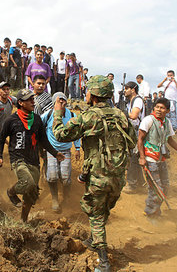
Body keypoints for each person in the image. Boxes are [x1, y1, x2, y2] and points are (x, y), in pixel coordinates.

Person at [52, 75, 137, 272]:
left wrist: (58, 114)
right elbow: (131, 142)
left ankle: (103, 262)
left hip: (99, 177)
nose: (86, 93)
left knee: (96, 215)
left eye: (88, 90)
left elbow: (60, 134)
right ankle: (93, 239)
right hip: (118, 175)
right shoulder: (121, 115)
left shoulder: (89, 117)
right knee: (104, 209)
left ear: (95, 94)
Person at [0, 89, 64, 222]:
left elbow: (43, 140)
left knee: (31, 194)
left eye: (33, 99)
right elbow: (1, 139)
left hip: (34, 161)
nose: (33, 102)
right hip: (18, 159)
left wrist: (55, 153)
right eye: (29, 100)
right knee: (28, 183)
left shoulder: (37, 120)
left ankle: (23, 220)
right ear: (20, 103)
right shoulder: (11, 120)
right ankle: (11, 192)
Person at [138, 97, 177, 217]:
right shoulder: (148, 120)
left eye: (162, 108)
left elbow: (170, 140)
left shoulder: (167, 123)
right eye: (157, 107)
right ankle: (151, 213)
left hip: (161, 159)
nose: (159, 110)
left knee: (165, 187)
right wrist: (142, 157)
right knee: (156, 188)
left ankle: (155, 210)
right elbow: (140, 139)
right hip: (150, 159)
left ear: (167, 111)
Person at [41, 92, 80, 212]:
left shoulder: (72, 115)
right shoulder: (48, 115)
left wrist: (77, 148)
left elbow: (77, 133)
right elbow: (39, 127)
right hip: (52, 150)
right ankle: (54, 199)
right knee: (52, 177)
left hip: (66, 150)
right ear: (54, 103)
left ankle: (66, 197)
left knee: (65, 177)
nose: (61, 102)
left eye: (63, 100)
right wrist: (42, 145)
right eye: (58, 100)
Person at [122, 81, 145, 194]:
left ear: (133, 89)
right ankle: (141, 182)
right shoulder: (130, 101)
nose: (125, 90)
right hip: (133, 132)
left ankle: (132, 184)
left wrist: (123, 113)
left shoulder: (138, 100)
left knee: (134, 159)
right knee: (133, 157)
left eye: (127, 88)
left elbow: (134, 115)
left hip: (138, 133)